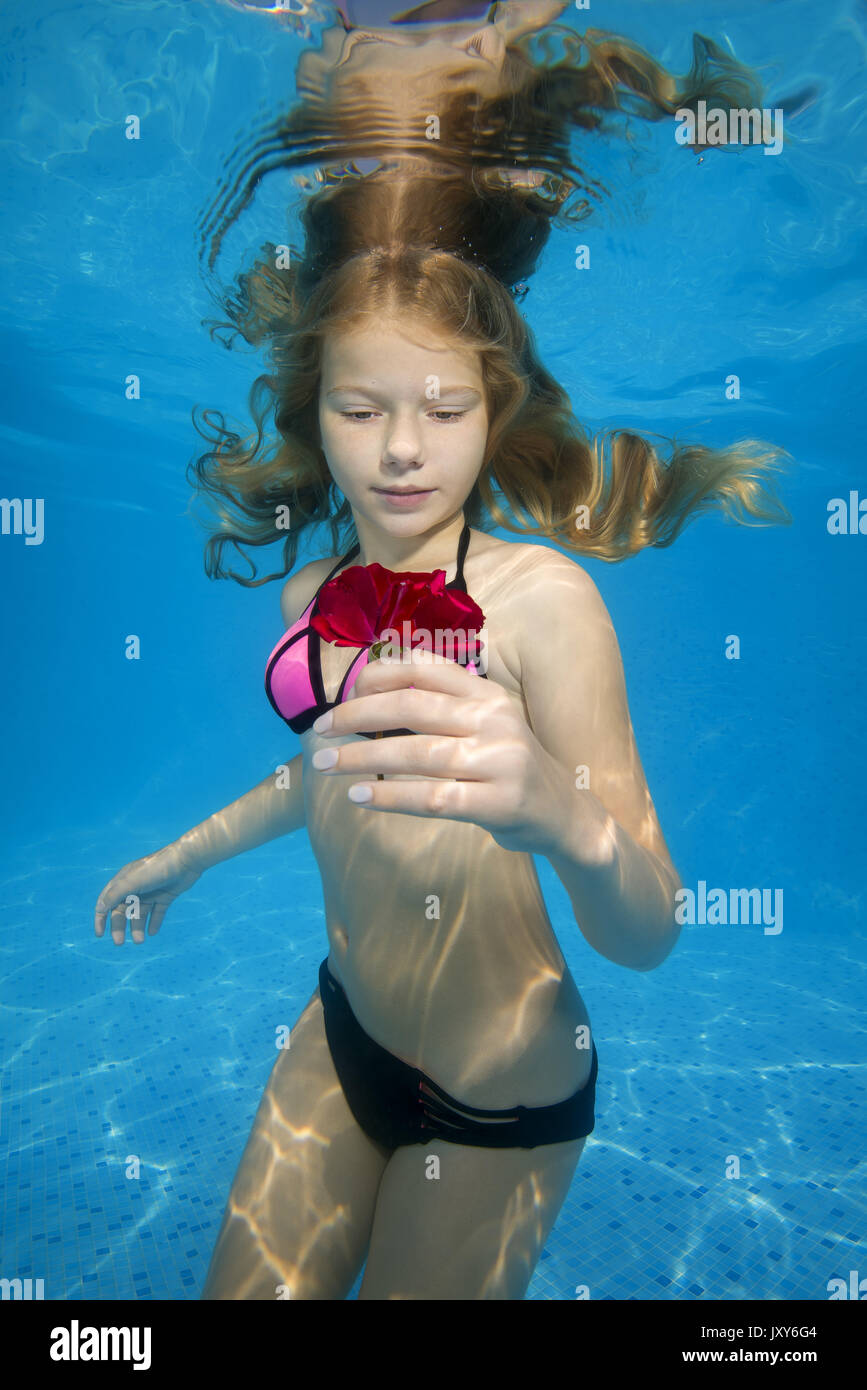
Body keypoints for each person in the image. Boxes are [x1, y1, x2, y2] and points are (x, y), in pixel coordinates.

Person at [95, 7, 791, 1300]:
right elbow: (331, 775)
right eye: (359, 409)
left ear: (495, 412)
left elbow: (652, 923)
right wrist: (181, 859)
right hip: (341, 1029)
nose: (401, 450)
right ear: (315, 410)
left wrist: (557, 815)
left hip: (500, 1095)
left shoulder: (545, 604)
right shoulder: (316, 584)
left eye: (445, 408)